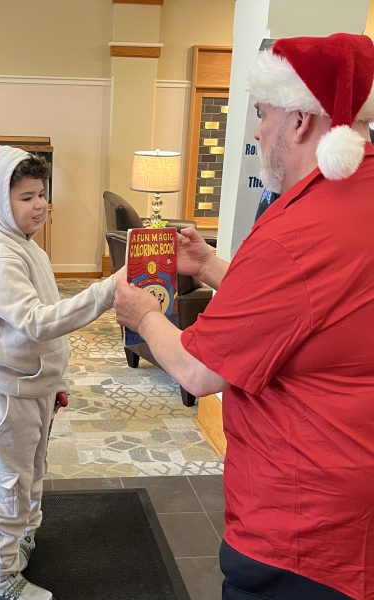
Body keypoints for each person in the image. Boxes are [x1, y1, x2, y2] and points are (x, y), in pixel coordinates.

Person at [114, 33, 374, 600]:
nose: (256, 131)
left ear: (300, 121)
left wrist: (144, 315)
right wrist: (208, 265)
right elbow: (306, 312)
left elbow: (199, 372)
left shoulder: (295, 233)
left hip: (302, 532)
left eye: (261, 114)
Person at [0, 145, 125, 600]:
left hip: (32, 383)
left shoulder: (26, 246)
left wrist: (57, 380)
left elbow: (48, 321)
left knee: (31, 471)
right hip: (4, 391)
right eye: (26, 197)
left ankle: (18, 542)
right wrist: (105, 292)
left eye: (42, 194)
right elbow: (37, 320)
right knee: (4, 482)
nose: (39, 205)